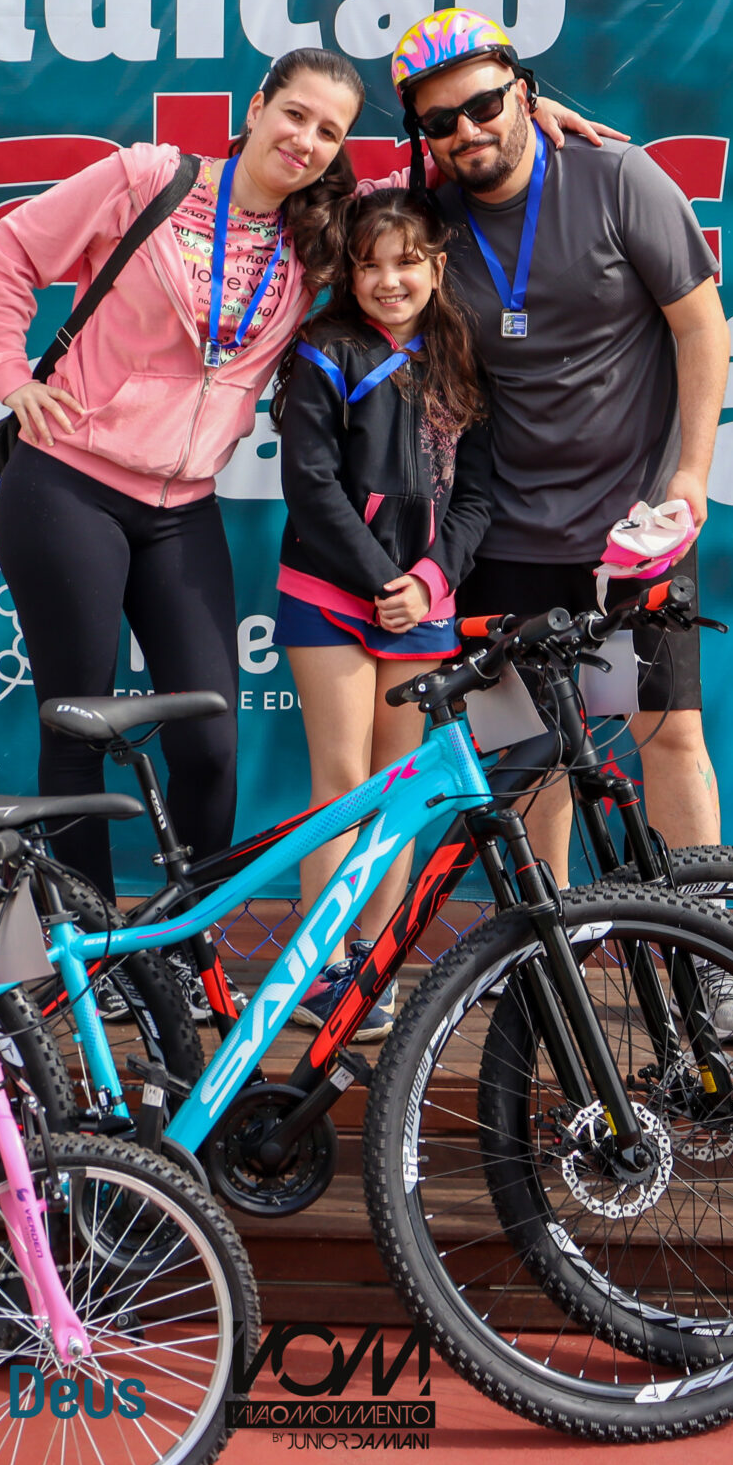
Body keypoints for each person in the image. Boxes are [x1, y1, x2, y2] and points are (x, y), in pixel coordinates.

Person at [0, 49, 612, 903]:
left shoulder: (319, 233)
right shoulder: (148, 179)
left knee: (210, 742)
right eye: (295, 115)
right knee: (77, 726)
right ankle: (82, 940)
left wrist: (527, 121)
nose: (306, 141)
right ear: (257, 107)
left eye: (329, 131)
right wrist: (7, 373)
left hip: (180, 508)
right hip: (69, 485)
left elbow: (418, 189)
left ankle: (184, 941)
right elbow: (14, 246)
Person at [383, 8, 732, 888]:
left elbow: (701, 327)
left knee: (667, 736)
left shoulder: (619, 178)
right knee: (530, 754)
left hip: (632, 532)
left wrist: (691, 475)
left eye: (485, 104)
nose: (467, 130)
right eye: (440, 121)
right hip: (502, 537)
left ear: (525, 93)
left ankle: (706, 942)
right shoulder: (426, 224)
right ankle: (549, 949)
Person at [271, 191, 493, 1041]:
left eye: (406, 262)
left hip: (423, 602)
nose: (388, 281)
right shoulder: (326, 349)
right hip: (331, 592)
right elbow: (310, 485)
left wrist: (430, 580)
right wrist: (379, 581)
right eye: (369, 265)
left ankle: (372, 965)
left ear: (437, 264)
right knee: (341, 782)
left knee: (397, 792)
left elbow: (477, 497)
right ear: (349, 273)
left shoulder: (459, 356)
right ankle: (320, 968)